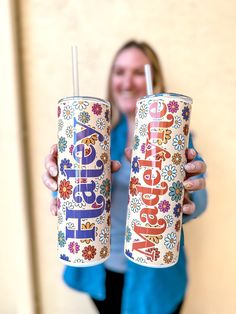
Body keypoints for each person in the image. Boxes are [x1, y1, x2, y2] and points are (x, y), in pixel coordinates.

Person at [43, 40, 207, 314]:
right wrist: (57, 177)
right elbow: (72, 197)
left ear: (154, 78)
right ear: (112, 79)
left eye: (137, 72)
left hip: (157, 278)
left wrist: (187, 198)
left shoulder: (178, 139)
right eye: (119, 72)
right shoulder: (95, 134)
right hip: (104, 270)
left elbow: (199, 201)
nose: (127, 82)